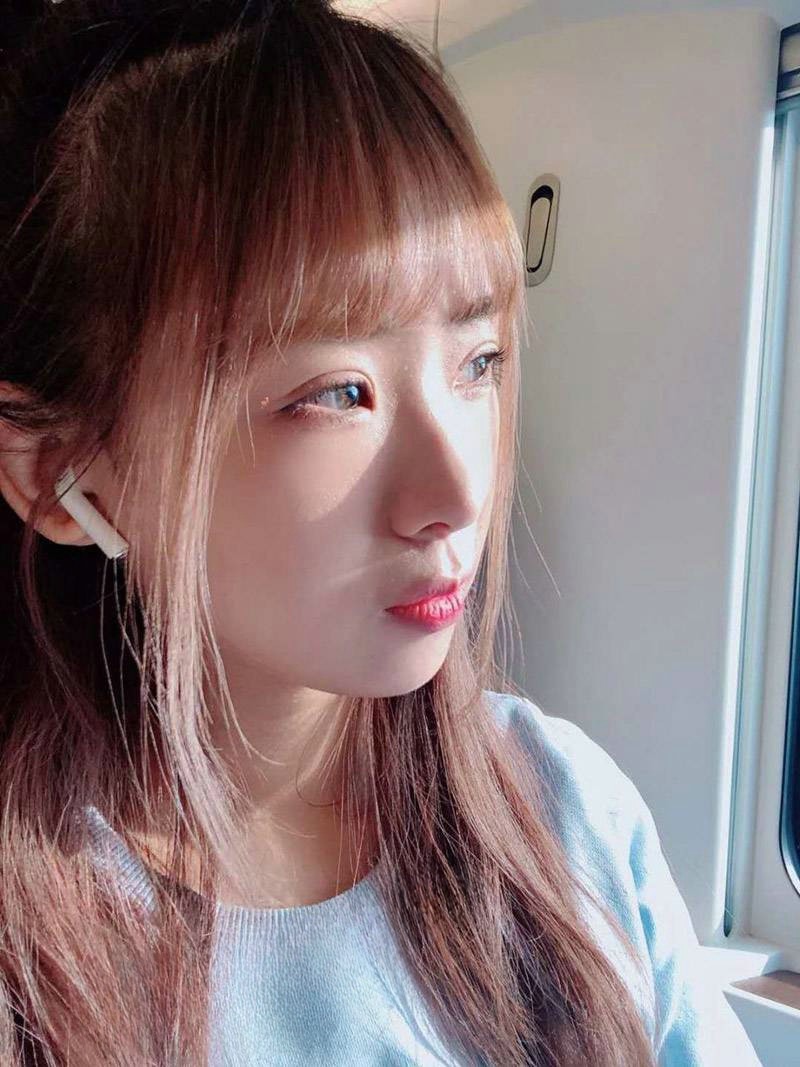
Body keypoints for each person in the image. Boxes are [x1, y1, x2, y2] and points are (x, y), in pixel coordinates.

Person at [0, 1, 762, 1064]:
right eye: (336, 392)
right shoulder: (31, 952)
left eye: (478, 362)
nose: (456, 491)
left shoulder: (569, 814)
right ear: (61, 473)